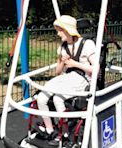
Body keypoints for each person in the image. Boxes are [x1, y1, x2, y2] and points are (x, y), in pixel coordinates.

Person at [36, 15, 96, 144]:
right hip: (69, 77)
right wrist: (62, 62)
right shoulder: (63, 47)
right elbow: (58, 72)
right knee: (41, 97)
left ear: (68, 30)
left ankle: (65, 133)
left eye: (60, 30)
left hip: (83, 79)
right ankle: (50, 130)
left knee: (58, 98)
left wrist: (75, 64)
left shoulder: (87, 44)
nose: (58, 34)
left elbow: (95, 69)